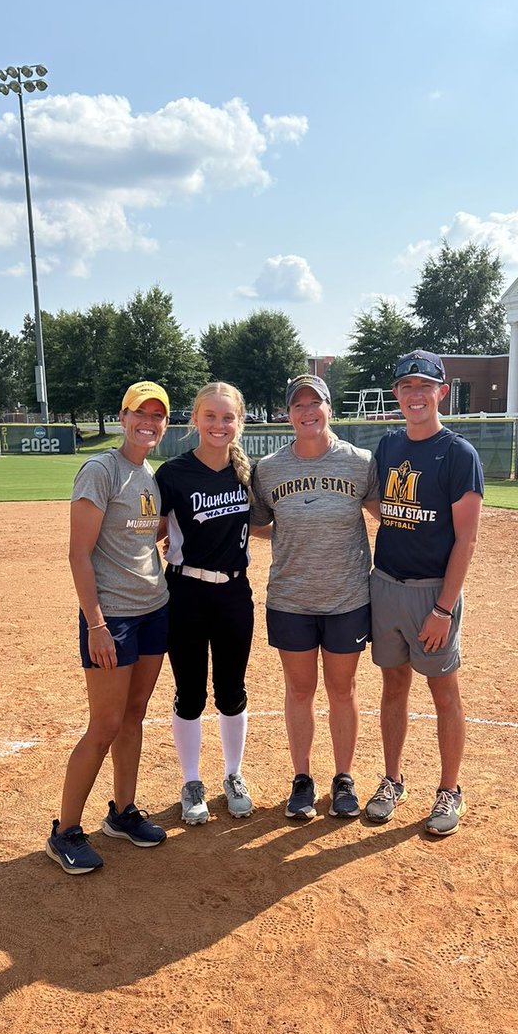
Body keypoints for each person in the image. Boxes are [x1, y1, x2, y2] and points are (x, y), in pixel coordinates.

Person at [46, 381, 172, 874]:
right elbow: (78, 554)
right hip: (113, 617)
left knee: (134, 715)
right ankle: (64, 831)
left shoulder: (148, 474)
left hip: (154, 609)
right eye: (140, 413)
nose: (148, 422)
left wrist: (165, 535)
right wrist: (96, 624)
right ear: (123, 417)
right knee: (104, 725)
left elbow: (139, 536)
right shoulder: (101, 470)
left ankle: (122, 811)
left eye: (158, 415)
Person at [250, 374, 379, 821]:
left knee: (343, 690)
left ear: (329, 408)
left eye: (315, 403)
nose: (307, 412)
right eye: (298, 405)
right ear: (288, 414)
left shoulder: (360, 462)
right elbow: (257, 523)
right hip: (291, 599)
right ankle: (302, 779)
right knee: (300, 690)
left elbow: (386, 516)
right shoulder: (269, 469)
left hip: (347, 598)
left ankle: (344, 779)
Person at [364, 351, 484, 837]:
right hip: (386, 584)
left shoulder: (458, 454)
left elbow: (466, 539)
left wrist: (443, 608)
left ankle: (450, 789)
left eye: (425, 386)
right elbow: (381, 504)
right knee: (393, 686)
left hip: (432, 593)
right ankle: (392, 779)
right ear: (396, 394)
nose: (415, 395)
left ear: (442, 392)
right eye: (406, 387)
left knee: (443, 692)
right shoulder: (388, 446)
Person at [155, 382, 255, 825]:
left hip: (234, 592)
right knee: (190, 692)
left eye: (227, 417)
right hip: (186, 593)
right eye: (210, 416)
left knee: (232, 690)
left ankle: (233, 774)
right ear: (194, 419)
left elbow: (265, 523)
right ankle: (192, 780)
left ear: (239, 421)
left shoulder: (248, 473)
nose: (219, 424)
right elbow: (151, 532)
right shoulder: (173, 473)